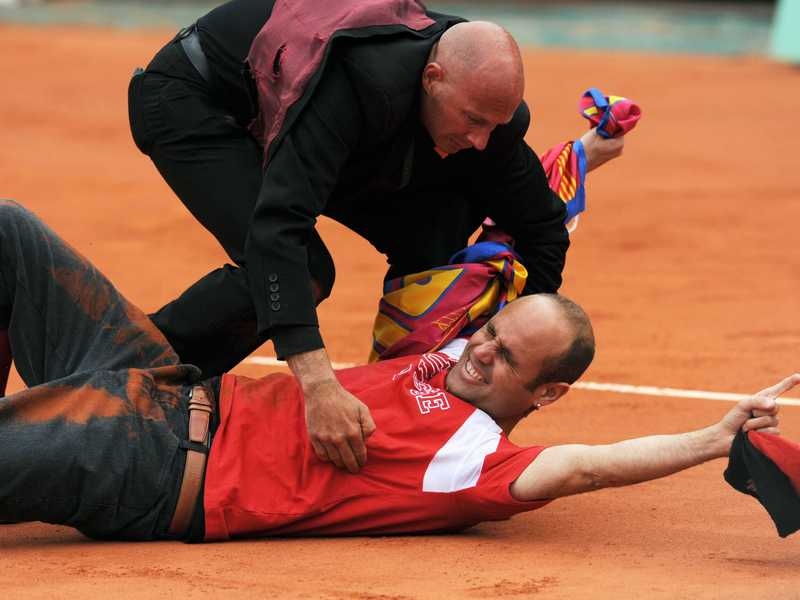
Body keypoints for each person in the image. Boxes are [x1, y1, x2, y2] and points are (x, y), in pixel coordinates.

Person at [1, 200, 792, 542]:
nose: (481, 349)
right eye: (493, 332)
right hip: (160, 380)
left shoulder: (472, 463)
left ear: (547, 393)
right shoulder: (453, 350)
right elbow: (510, 251)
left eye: (508, 356)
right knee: (10, 231)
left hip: (146, 467)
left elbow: (589, 467)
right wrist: (585, 157)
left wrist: (715, 436)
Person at [127, 0, 624, 472]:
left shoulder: (486, 118)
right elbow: (279, 227)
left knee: (434, 240)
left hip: (304, 107)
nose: (480, 140)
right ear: (433, 78)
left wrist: (522, 333)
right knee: (305, 269)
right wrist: (319, 386)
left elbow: (541, 227)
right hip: (198, 98)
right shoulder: (358, 86)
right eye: (473, 121)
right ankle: (133, 380)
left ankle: (413, 406)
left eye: (493, 125)